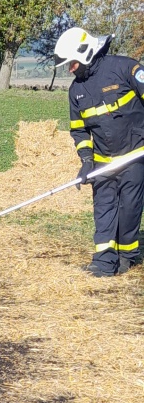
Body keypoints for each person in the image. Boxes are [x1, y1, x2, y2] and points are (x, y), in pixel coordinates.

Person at [56, 26, 144, 276]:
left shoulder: (126, 68)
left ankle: (126, 257)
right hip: (103, 161)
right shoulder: (76, 91)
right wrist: (86, 159)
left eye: (71, 63)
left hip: (135, 154)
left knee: (129, 207)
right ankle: (104, 262)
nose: (69, 68)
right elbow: (79, 130)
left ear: (84, 53)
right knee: (103, 207)